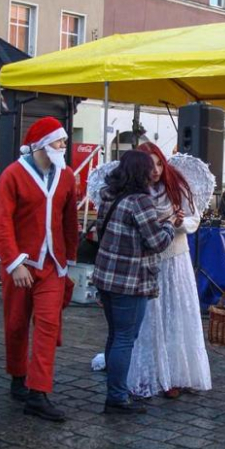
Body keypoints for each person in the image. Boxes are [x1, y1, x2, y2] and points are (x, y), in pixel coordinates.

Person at [0, 117, 78, 422]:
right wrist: (13, 262)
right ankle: (18, 375)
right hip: (21, 264)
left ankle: (38, 393)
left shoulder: (67, 177)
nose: (64, 146)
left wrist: (70, 261)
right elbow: (1, 222)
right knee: (16, 324)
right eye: (60, 141)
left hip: (53, 264)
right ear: (42, 143)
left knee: (47, 325)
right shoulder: (12, 175)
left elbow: (70, 221)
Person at [92, 150, 179, 414]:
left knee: (114, 335)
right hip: (130, 281)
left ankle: (114, 391)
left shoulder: (109, 193)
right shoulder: (141, 201)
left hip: (106, 277)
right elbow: (157, 242)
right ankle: (117, 397)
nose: (153, 172)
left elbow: (111, 228)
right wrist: (171, 225)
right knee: (125, 338)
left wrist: (157, 221)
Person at [127, 143, 212, 399]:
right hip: (150, 261)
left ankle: (178, 372)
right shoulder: (136, 193)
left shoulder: (177, 186)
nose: (155, 170)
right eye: (150, 164)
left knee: (178, 317)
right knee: (151, 318)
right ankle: (155, 372)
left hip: (176, 259)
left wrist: (178, 222)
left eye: (159, 163)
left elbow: (194, 219)